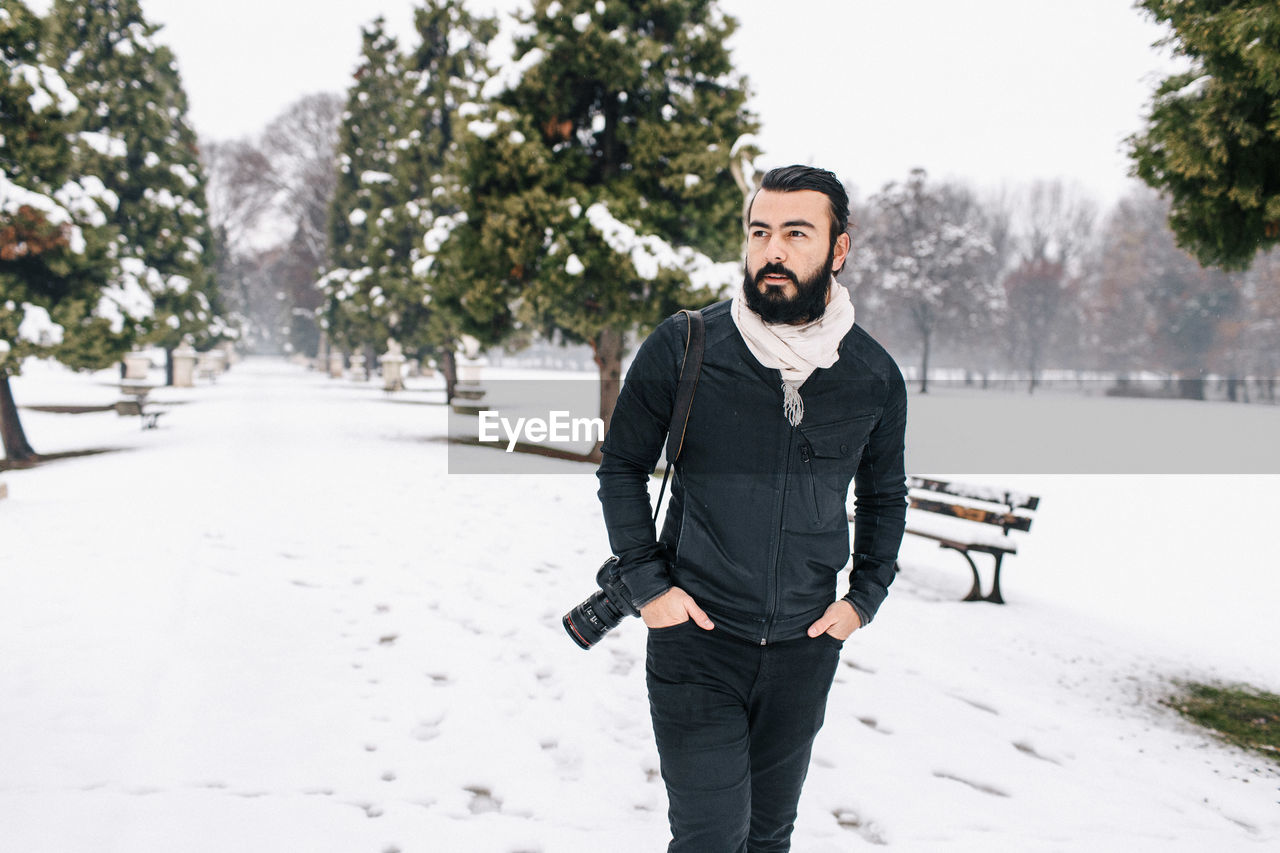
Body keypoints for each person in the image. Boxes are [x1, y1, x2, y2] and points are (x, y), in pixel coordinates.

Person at [596, 164, 908, 852]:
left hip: (804, 651)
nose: (773, 249)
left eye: (797, 233)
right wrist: (650, 588)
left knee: (768, 837)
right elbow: (621, 468)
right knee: (712, 836)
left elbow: (884, 495)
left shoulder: (872, 375)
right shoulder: (686, 346)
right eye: (760, 230)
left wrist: (863, 600)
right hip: (696, 641)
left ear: (839, 247)